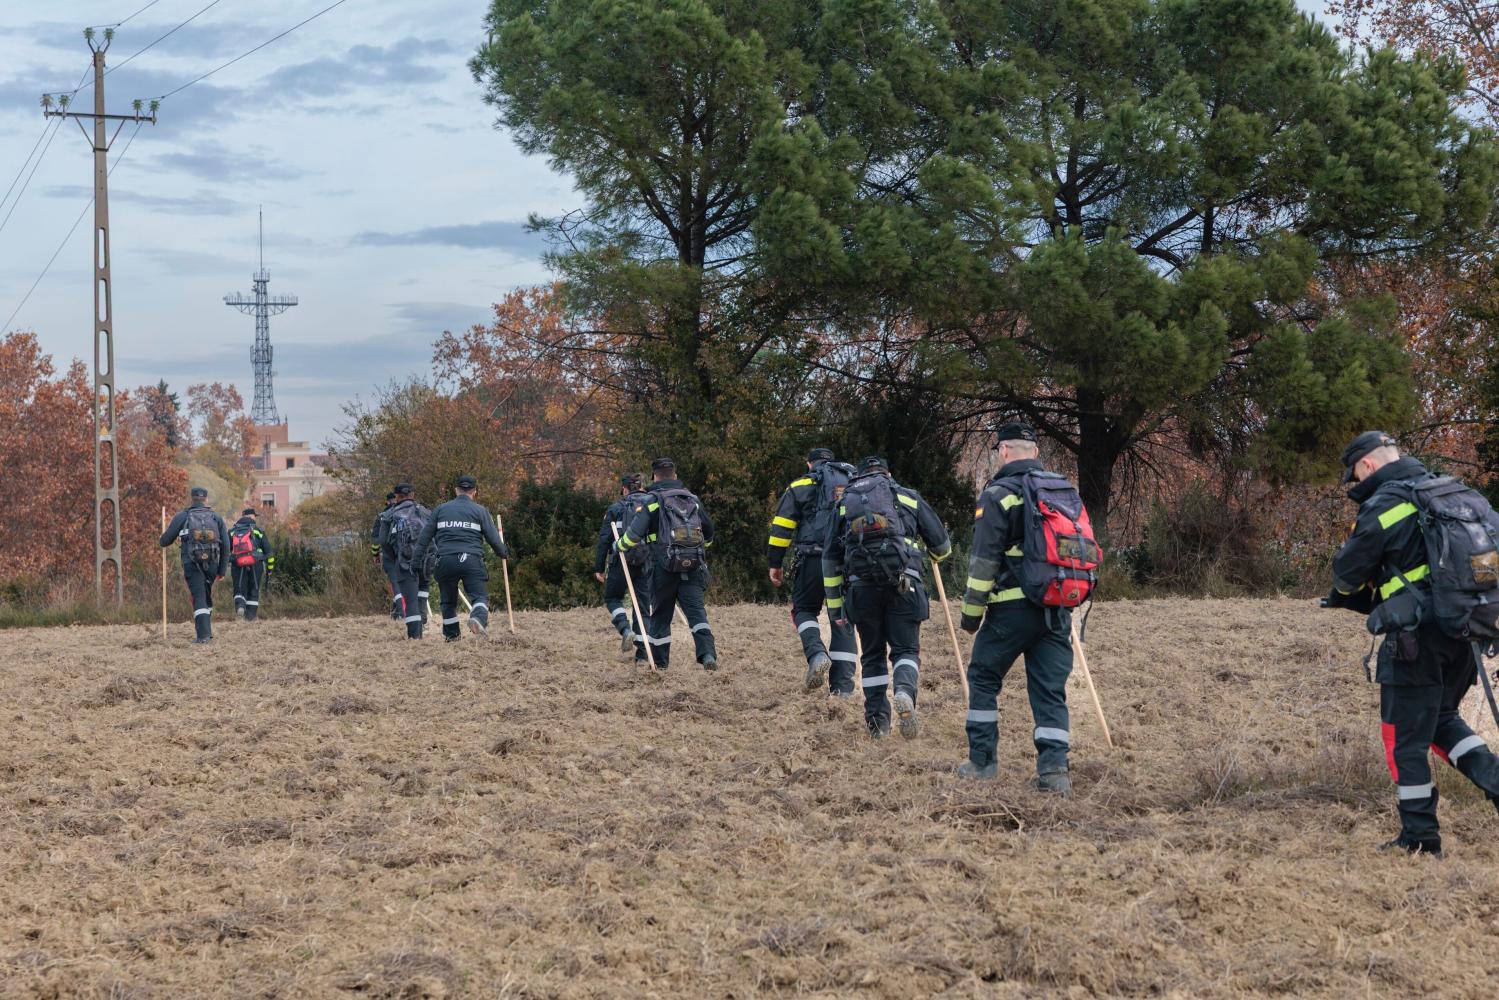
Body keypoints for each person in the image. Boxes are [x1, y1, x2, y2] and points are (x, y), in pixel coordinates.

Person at [1325, 430, 1499, 857]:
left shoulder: (1387, 502)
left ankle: (1419, 839)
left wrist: (1353, 594)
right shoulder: (1456, 492)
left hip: (1415, 640)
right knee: (1440, 719)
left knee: (1404, 739)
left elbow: (1347, 572)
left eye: (1355, 475)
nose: (1355, 484)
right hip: (1468, 632)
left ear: (1366, 465)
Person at [956, 422, 1078, 793]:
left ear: (1004, 451)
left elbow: (983, 563)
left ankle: (982, 763)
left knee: (982, 678)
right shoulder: (1061, 491)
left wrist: (972, 616)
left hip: (1010, 610)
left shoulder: (997, 495)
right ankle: (1054, 772)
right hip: (1056, 608)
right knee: (1050, 690)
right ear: (1036, 452)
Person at [823, 456, 951, 739]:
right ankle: (904, 691)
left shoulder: (843, 505)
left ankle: (877, 725)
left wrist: (835, 609)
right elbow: (942, 548)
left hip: (861, 590)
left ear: (857, 477)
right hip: (905, 586)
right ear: (888, 475)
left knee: (871, 657)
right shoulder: (908, 497)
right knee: (906, 651)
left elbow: (830, 559)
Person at [768, 448, 859, 695]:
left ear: (810, 464)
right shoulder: (854, 483)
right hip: (845, 561)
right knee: (842, 618)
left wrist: (775, 564)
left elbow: (781, 528)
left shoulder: (801, 485)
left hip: (812, 560)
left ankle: (817, 653)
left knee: (805, 610)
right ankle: (842, 689)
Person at [618, 458, 718, 670]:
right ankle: (708, 654)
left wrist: (620, 545)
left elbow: (634, 534)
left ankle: (661, 664)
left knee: (661, 618)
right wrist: (694, 549)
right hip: (692, 566)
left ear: (654, 476)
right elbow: (708, 532)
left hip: (662, 568)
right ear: (674, 475)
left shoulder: (653, 500)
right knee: (697, 613)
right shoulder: (692, 499)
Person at [412, 474, 509, 642]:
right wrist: (503, 553)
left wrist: (415, 562)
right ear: (475, 492)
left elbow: (424, 539)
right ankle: (478, 617)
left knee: (448, 602)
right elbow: (493, 538)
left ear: (456, 490)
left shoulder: (440, 510)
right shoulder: (480, 511)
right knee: (480, 597)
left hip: (445, 560)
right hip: (471, 560)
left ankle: (452, 636)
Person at [159, 486, 230, 644]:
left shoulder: (183, 516)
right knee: (205, 596)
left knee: (198, 597)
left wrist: (161, 536)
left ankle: (203, 636)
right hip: (212, 563)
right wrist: (222, 570)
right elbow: (226, 545)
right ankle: (207, 632)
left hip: (191, 563)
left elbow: (165, 541)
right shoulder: (216, 518)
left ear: (191, 498)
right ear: (206, 499)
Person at [595, 473, 653, 657]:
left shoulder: (616, 508)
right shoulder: (651, 505)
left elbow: (605, 539)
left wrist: (598, 568)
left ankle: (625, 629)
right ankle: (643, 655)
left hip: (620, 561)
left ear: (625, 489)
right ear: (642, 486)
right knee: (642, 608)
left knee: (613, 598)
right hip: (645, 562)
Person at [381, 484, 432, 640]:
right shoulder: (426, 512)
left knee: (410, 602)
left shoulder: (389, 515)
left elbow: (384, 542)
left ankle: (415, 637)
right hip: (426, 561)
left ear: (397, 497)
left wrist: (396, 557)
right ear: (413, 494)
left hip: (405, 562)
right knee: (422, 591)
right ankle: (422, 618)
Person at [228, 508, 274, 621]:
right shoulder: (258, 531)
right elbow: (269, 552)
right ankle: (251, 617)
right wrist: (269, 569)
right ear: (251, 516)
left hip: (238, 564)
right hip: (256, 564)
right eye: (254, 516)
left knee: (239, 588)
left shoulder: (232, 531)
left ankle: (240, 606)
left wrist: (229, 561)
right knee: (254, 590)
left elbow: (225, 551)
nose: (255, 518)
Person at [371, 492, 401, 619]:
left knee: (392, 581)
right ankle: (401, 605)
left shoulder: (382, 516)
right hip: (405, 552)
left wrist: (375, 554)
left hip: (387, 553)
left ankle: (397, 603)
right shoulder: (406, 512)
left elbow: (375, 539)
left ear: (387, 501)